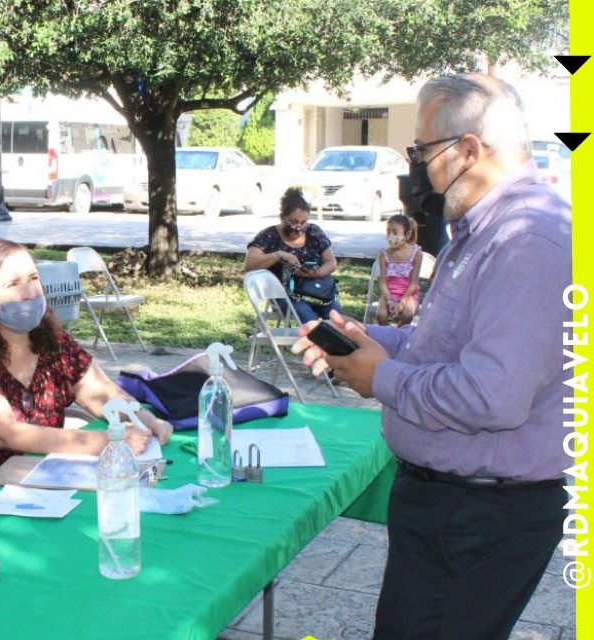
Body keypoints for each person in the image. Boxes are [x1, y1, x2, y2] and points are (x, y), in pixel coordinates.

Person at [293, 73, 570, 640]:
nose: (417, 168)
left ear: (469, 150)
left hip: (479, 518)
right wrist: (370, 342)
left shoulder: (527, 239)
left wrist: (381, 379)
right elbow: (439, 344)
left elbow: (490, 395)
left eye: (422, 151)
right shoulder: (480, 231)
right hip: (451, 508)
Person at [0, 239, 174, 514]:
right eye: (13, 284)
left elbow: (101, 392)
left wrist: (144, 419)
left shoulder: (53, 339)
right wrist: (107, 442)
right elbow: (3, 433)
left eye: (33, 278)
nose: (30, 292)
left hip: (24, 487)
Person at [244, 187, 343, 323]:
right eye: (294, 221)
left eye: (303, 223)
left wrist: (317, 273)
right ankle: (315, 342)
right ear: (283, 217)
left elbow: (331, 262)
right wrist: (279, 255)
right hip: (286, 295)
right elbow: (249, 264)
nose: (299, 227)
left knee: (339, 321)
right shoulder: (269, 236)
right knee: (310, 322)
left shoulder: (314, 232)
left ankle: (333, 344)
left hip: (318, 292)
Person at [374, 214, 423, 327]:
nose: (390, 236)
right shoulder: (384, 254)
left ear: (407, 234)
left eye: (395, 232)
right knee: (380, 315)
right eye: (388, 232)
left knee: (407, 314)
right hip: (389, 294)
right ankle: (388, 337)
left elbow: (413, 283)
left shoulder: (416, 254)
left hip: (409, 295)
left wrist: (402, 302)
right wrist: (390, 300)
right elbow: (383, 282)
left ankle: (398, 335)